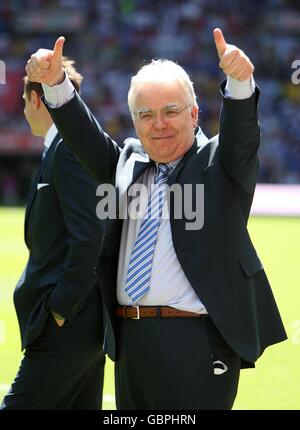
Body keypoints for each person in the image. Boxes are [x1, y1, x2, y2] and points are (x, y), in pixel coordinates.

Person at [25, 28, 287, 410]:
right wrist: (56, 84)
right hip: (129, 341)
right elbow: (84, 137)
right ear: (134, 122)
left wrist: (239, 82)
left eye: (170, 112)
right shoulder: (128, 164)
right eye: (146, 115)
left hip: (195, 344)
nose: (158, 124)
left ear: (195, 114)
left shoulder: (220, 166)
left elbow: (242, 137)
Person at [1, 58, 106, 410]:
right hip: (75, 322)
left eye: (22, 100)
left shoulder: (68, 150)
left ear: (34, 99)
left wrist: (61, 308)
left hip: (67, 324)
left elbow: (91, 236)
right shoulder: (62, 149)